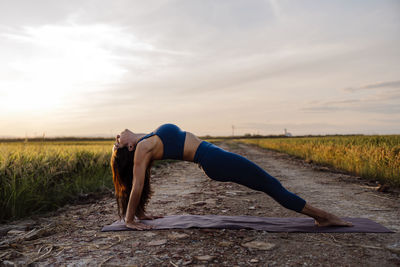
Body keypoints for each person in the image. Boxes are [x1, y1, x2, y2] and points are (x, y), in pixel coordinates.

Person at [111, 123, 352, 230]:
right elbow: (137, 185)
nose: (117, 137)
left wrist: (141, 213)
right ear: (129, 149)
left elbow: (135, 171)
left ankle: (323, 217)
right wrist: (130, 219)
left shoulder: (143, 139)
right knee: (270, 185)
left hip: (215, 156)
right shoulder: (141, 148)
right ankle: (323, 217)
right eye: (117, 143)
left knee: (269, 184)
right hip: (213, 160)